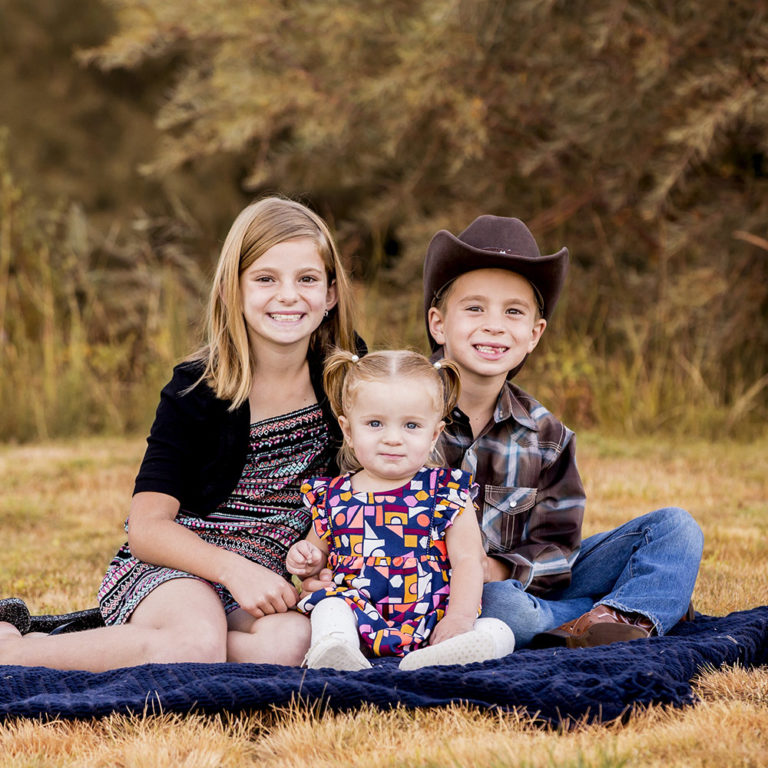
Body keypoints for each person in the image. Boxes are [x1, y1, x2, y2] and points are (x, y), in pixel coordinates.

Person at [0, 196, 361, 671]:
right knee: (194, 641)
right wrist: (234, 570)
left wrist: (317, 553)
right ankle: (16, 650)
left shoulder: (346, 378)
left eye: (307, 279)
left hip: (267, 576)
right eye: (266, 279)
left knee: (294, 644)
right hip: (180, 563)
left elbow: (358, 481)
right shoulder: (197, 389)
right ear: (233, 290)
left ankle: (143, 646)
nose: (289, 295)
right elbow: (148, 528)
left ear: (331, 294)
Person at [421, 214, 703, 649]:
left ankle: (616, 613)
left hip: (516, 584)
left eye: (513, 312)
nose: (495, 325)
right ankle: (619, 609)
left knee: (675, 528)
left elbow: (558, 551)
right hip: (436, 592)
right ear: (438, 323)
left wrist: (496, 569)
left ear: (534, 334)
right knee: (500, 610)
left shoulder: (547, 436)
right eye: (475, 307)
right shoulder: (401, 412)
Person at [286, 349, 516, 671]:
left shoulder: (445, 493)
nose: (393, 439)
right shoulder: (333, 496)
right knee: (331, 607)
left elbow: (468, 559)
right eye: (375, 423)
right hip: (357, 615)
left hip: (433, 620)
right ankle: (338, 649)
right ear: (349, 431)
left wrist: (459, 618)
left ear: (434, 434)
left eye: (411, 425)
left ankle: (435, 657)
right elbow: (315, 558)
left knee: (499, 630)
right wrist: (303, 558)